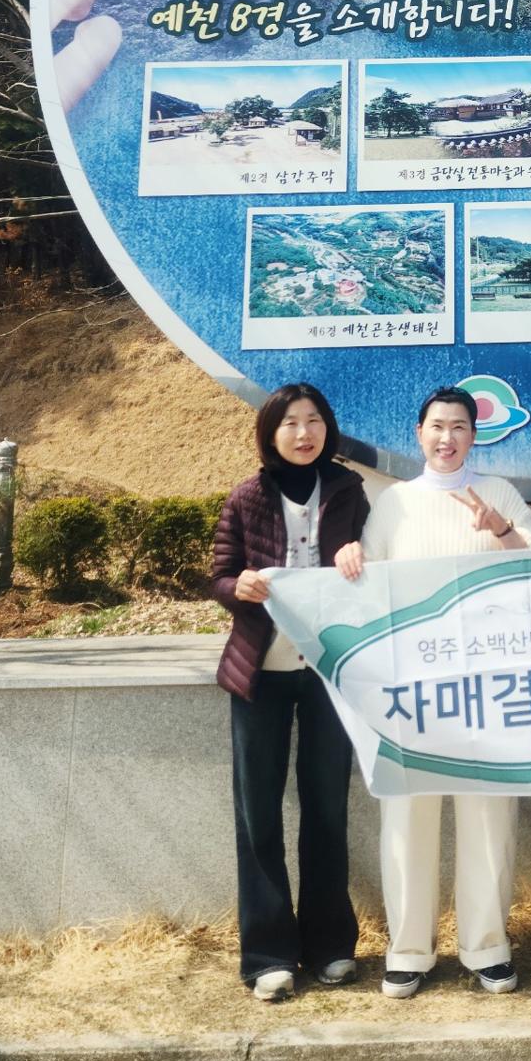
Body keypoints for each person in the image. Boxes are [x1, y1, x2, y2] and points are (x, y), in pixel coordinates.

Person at [352, 385, 531, 999]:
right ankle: (408, 949)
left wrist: (502, 529)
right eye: (437, 426)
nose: (447, 437)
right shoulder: (394, 503)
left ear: (474, 434)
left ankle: (487, 946)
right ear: (419, 433)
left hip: (487, 684)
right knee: (408, 816)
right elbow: (366, 584)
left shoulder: (499, 494)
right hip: (412, 686)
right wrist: (349, 559)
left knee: (488, 816)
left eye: (459, 426)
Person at [212, 381, 369, 1001]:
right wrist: (240, 586)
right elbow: (219, 576)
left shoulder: (349, 490)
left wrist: (359, 553)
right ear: (271, 433)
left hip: (329, 671)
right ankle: (268, 954)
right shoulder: (246, 496)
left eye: (314, 421)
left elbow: (372, 564)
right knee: (258, 813)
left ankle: (330, 945)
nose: (304, 434)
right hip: (260, 673)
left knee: (327, 807)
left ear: (327, 428)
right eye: (291, 423)